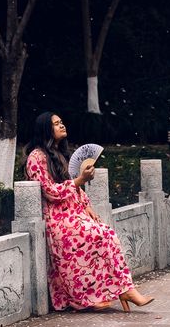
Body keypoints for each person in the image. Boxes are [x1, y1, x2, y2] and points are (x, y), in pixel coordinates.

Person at [25, 111, 154, 312]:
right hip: (57, 218)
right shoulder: (36, 157)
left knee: (108, 234)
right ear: (45, 129)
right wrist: (79, 181)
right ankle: (95, 295)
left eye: (61, 122)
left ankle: (124, 289)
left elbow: (75, 188)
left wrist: (86, 205)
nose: (62, 125)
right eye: (56, 124)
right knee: (95, 235)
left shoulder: (60, 153)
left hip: (73, 212)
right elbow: (49, 191)